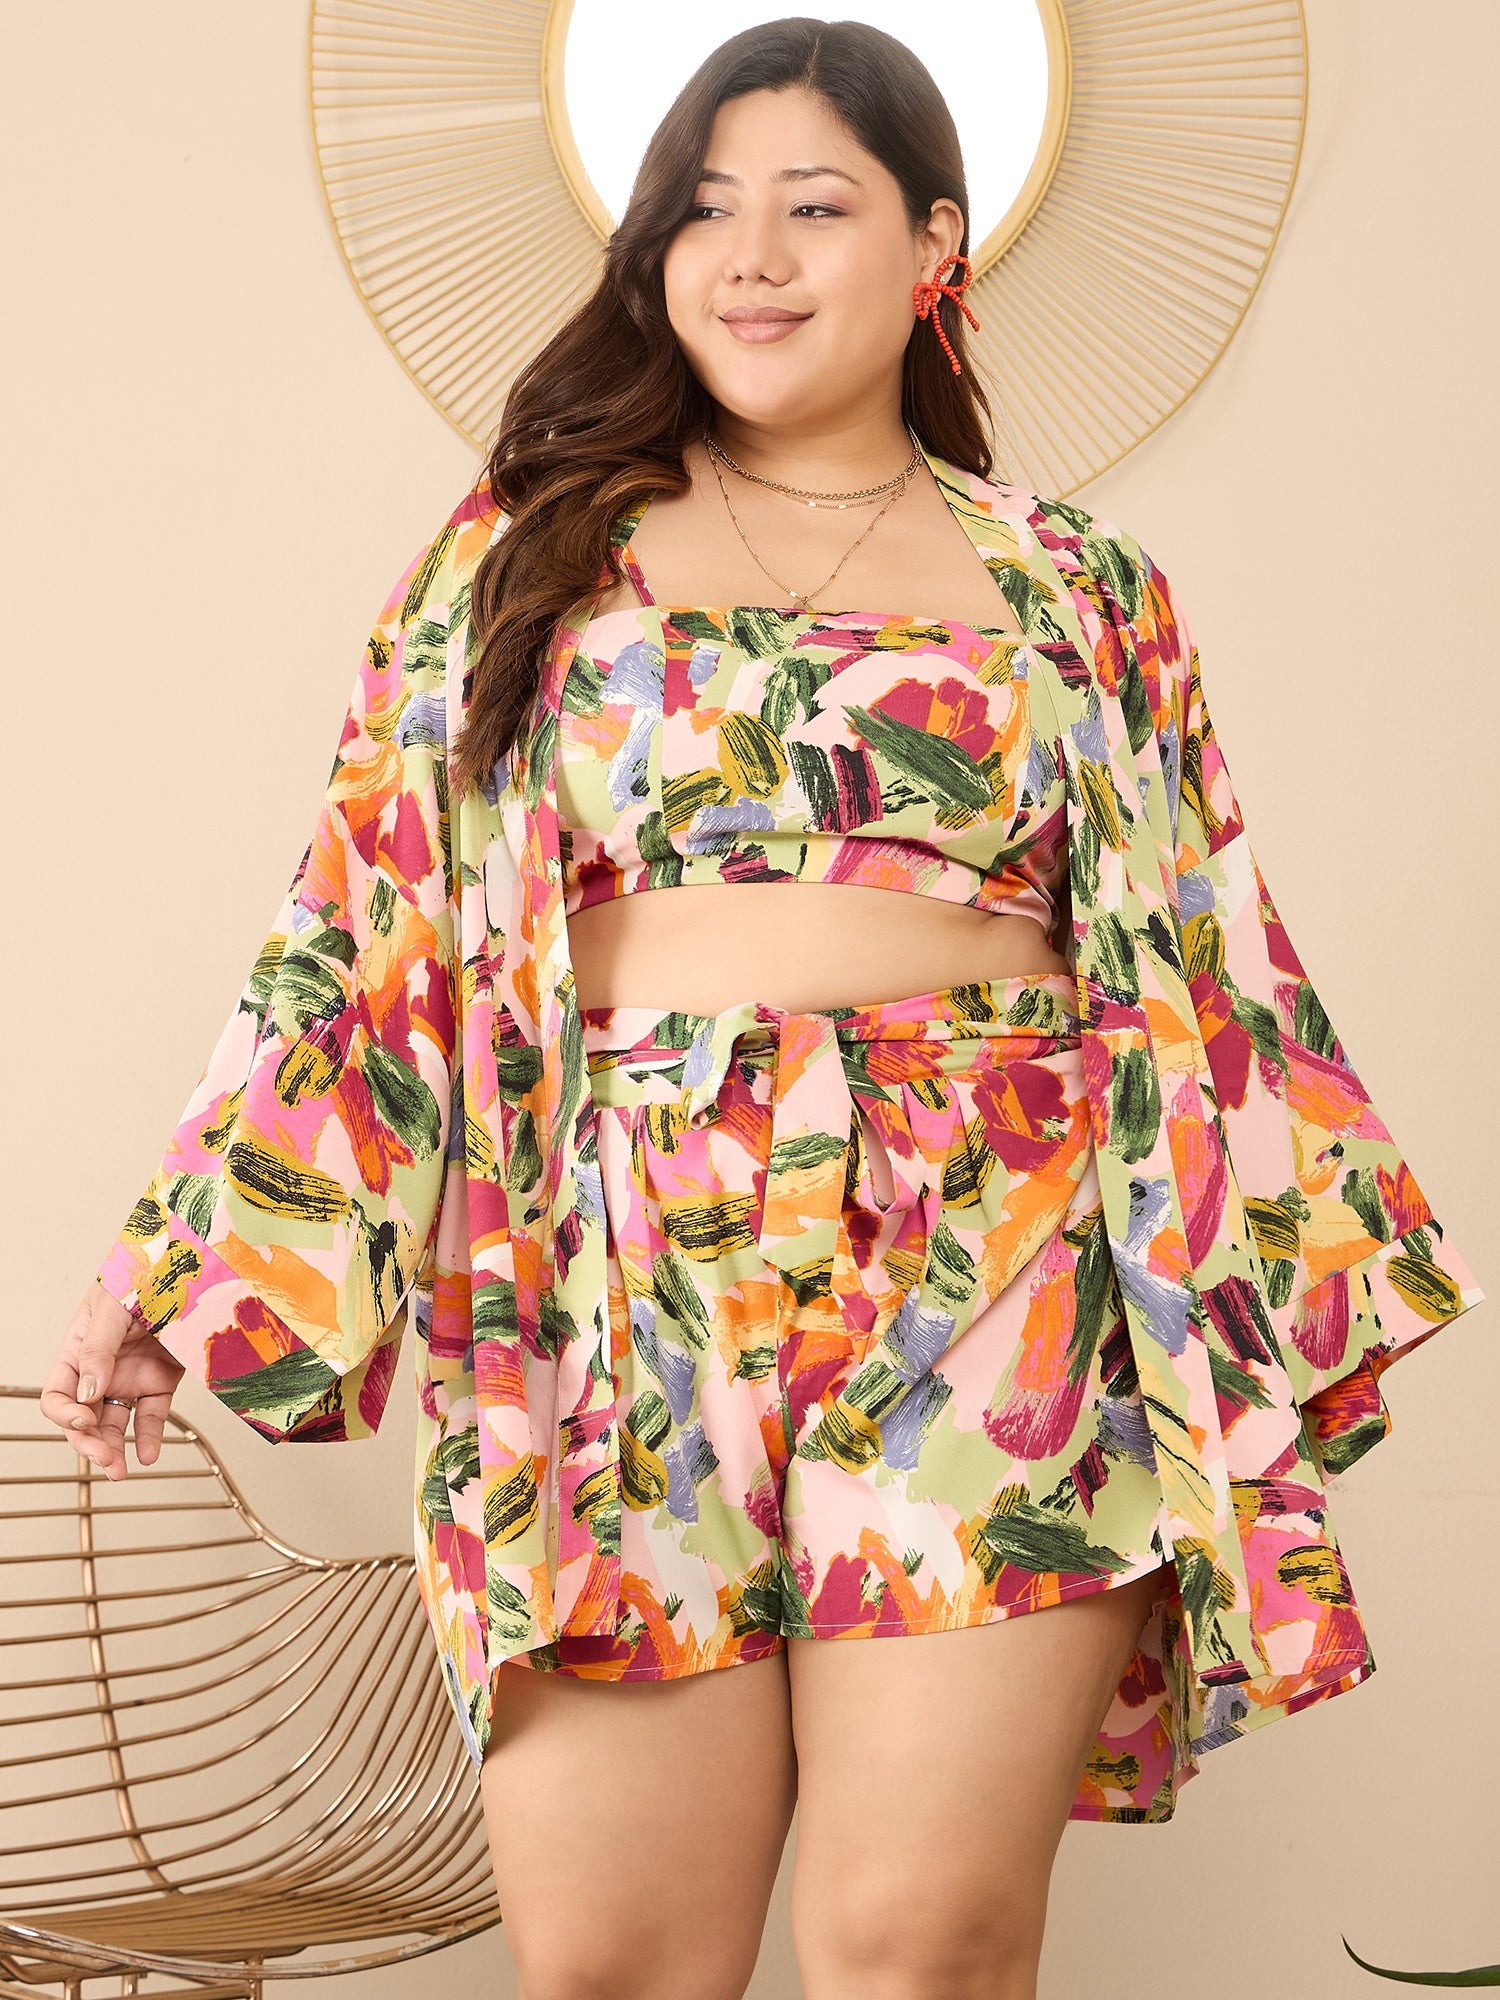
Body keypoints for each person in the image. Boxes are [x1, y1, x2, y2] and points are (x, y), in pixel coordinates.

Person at [40, 19, 1482, 2000]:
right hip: (613, 1272)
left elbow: (1205, 944)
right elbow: (364, 912)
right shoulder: (527, 558)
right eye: (705, 211)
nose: (754, 257)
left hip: (1000, 1260)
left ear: (937, 245)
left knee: (919, 1943)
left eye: (817, 206)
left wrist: (1291, 1295)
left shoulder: (1078, 584)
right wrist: (178, 1260)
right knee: (616, 1962)